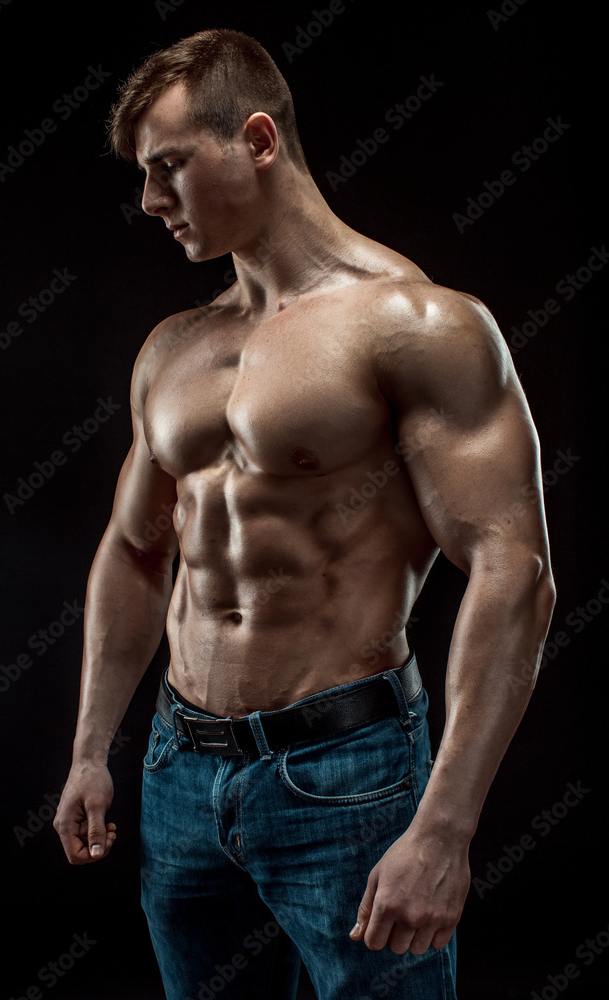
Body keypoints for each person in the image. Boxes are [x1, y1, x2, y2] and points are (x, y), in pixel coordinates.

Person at [53, 28, 556, 1000]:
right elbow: (134, 547)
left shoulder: (415, 326)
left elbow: (513, 569)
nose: (150, 202)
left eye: (168, 168)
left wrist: (444, 827)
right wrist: (89, 750)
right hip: (178, 766)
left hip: (346, 775)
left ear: (255, 139)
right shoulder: (174, 347)